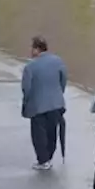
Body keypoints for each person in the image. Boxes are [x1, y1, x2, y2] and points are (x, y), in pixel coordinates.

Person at [22, 36, 67, 170]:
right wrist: (59, 94)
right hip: (56, 104)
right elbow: (63, 80)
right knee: (51, 131)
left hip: (38, 106)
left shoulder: (30, 67)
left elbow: (26, 88)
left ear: (37, 49)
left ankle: (43, 160)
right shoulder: (58, 61)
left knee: (39, 134)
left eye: (32, 48)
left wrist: (27, 102)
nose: (30, 51)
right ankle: (49, 156)